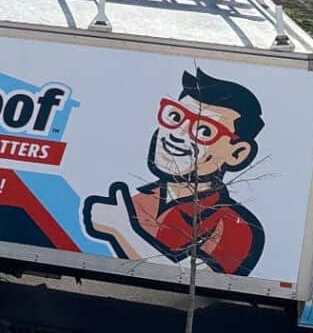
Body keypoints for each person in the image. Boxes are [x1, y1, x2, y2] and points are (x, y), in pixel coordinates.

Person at [81, 68, 265, 277]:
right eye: (175, 116)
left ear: (237, 153)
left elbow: (194, 280)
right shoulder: (138, 201)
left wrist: (123, 230)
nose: (177, 135)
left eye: (204, 130)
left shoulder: (235, 225)